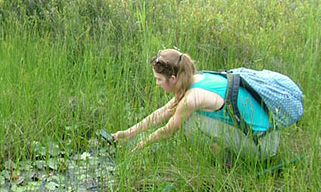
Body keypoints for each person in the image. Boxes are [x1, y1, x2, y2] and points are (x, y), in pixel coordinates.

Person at [113, 49, 279, 161]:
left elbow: (167, 131)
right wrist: (128, 134)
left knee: (188, 123)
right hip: (264, 136)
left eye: (159, 79)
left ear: (172, 79)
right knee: (184, 116)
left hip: (263, 146)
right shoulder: (197, 78)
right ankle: (223, 150)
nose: (157, 83)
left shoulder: (192, 98)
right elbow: (164, 111)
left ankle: (225, 160)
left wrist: (139, 147)